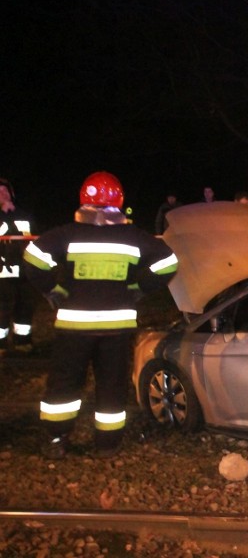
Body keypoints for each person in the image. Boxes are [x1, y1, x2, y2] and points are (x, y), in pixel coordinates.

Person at [23, 171, 178, 459]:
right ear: (118, 201)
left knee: (64, 384)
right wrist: (139, 287)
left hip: (73, 327)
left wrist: (53, 290)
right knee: (112, 385)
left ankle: (57, 440)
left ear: (84, 200)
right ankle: (107, 445)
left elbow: (33, 258)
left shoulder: (67, 234)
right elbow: (168, 262)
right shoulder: (133, 237)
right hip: (117, 327)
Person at [0, 177, 35, 353]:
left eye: (5, 191)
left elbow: (30, 237)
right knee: (1, 307)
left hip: (23, 269)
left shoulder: (24, 215)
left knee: (25, 305)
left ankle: (23, 341)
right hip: (2, 271)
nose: (2, 194)